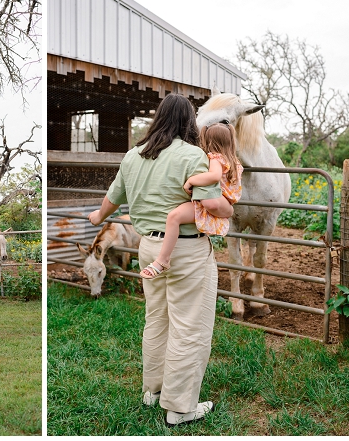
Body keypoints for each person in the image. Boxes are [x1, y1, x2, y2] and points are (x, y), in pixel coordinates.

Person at [88, 93, 222, 427]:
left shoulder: (133, 156)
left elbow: (110, 201)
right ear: (189, 121)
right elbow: (210, 204)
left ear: (158, 118)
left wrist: (95, 216)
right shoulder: (193, 156)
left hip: (148, 247)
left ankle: (153, 390)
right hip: (186, 249)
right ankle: (179, 407)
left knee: (157, 318)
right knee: (189, 326)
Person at [140, 122, 240, 279]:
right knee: (175, 217)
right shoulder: (233, 160)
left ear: (208, 141)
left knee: (174, 217)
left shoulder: (215, 158)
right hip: (222, 202)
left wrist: (191, 180)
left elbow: (213, 176)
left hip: (209, 201)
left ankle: (162, 260)